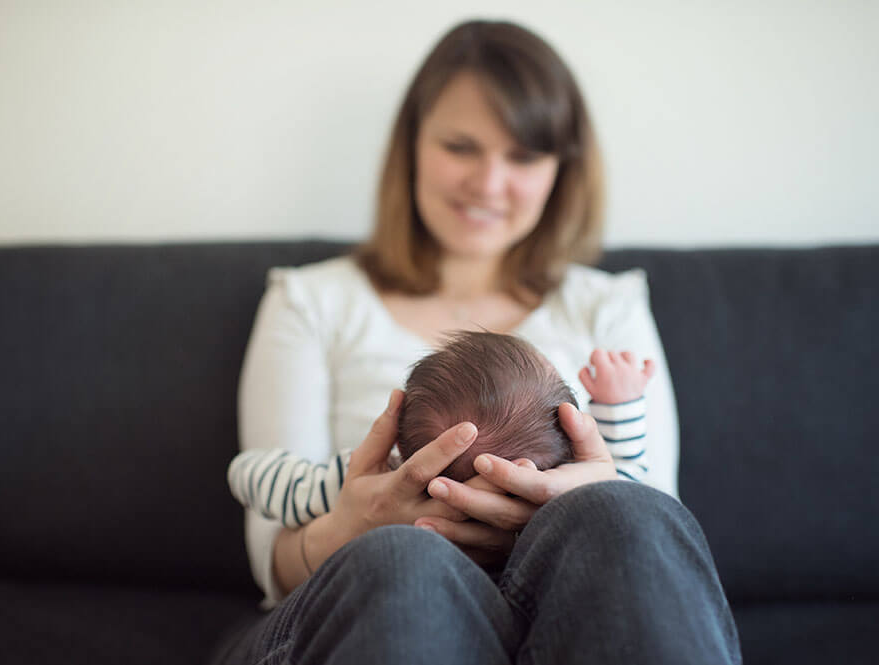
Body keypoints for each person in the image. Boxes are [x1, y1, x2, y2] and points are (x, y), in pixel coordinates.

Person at [212, 18, 740, 665]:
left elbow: (654, 532)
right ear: (411, 145)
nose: (489, 184)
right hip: (360, 600)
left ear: (560, 170)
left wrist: (579, 498)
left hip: (565, 609)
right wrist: (355, 523)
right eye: (461, 146)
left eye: (523, 156)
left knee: (626, 514)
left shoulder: (607, 305)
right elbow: (270, 554)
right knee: (405, 557)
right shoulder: (311, 300)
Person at [227, 332, 655, 529]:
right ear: (570, 443)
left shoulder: (374, 482)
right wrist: (618, 406)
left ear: (399, 441)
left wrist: (255, 469)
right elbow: (628, 482)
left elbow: (252, 476)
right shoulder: (570, 494)